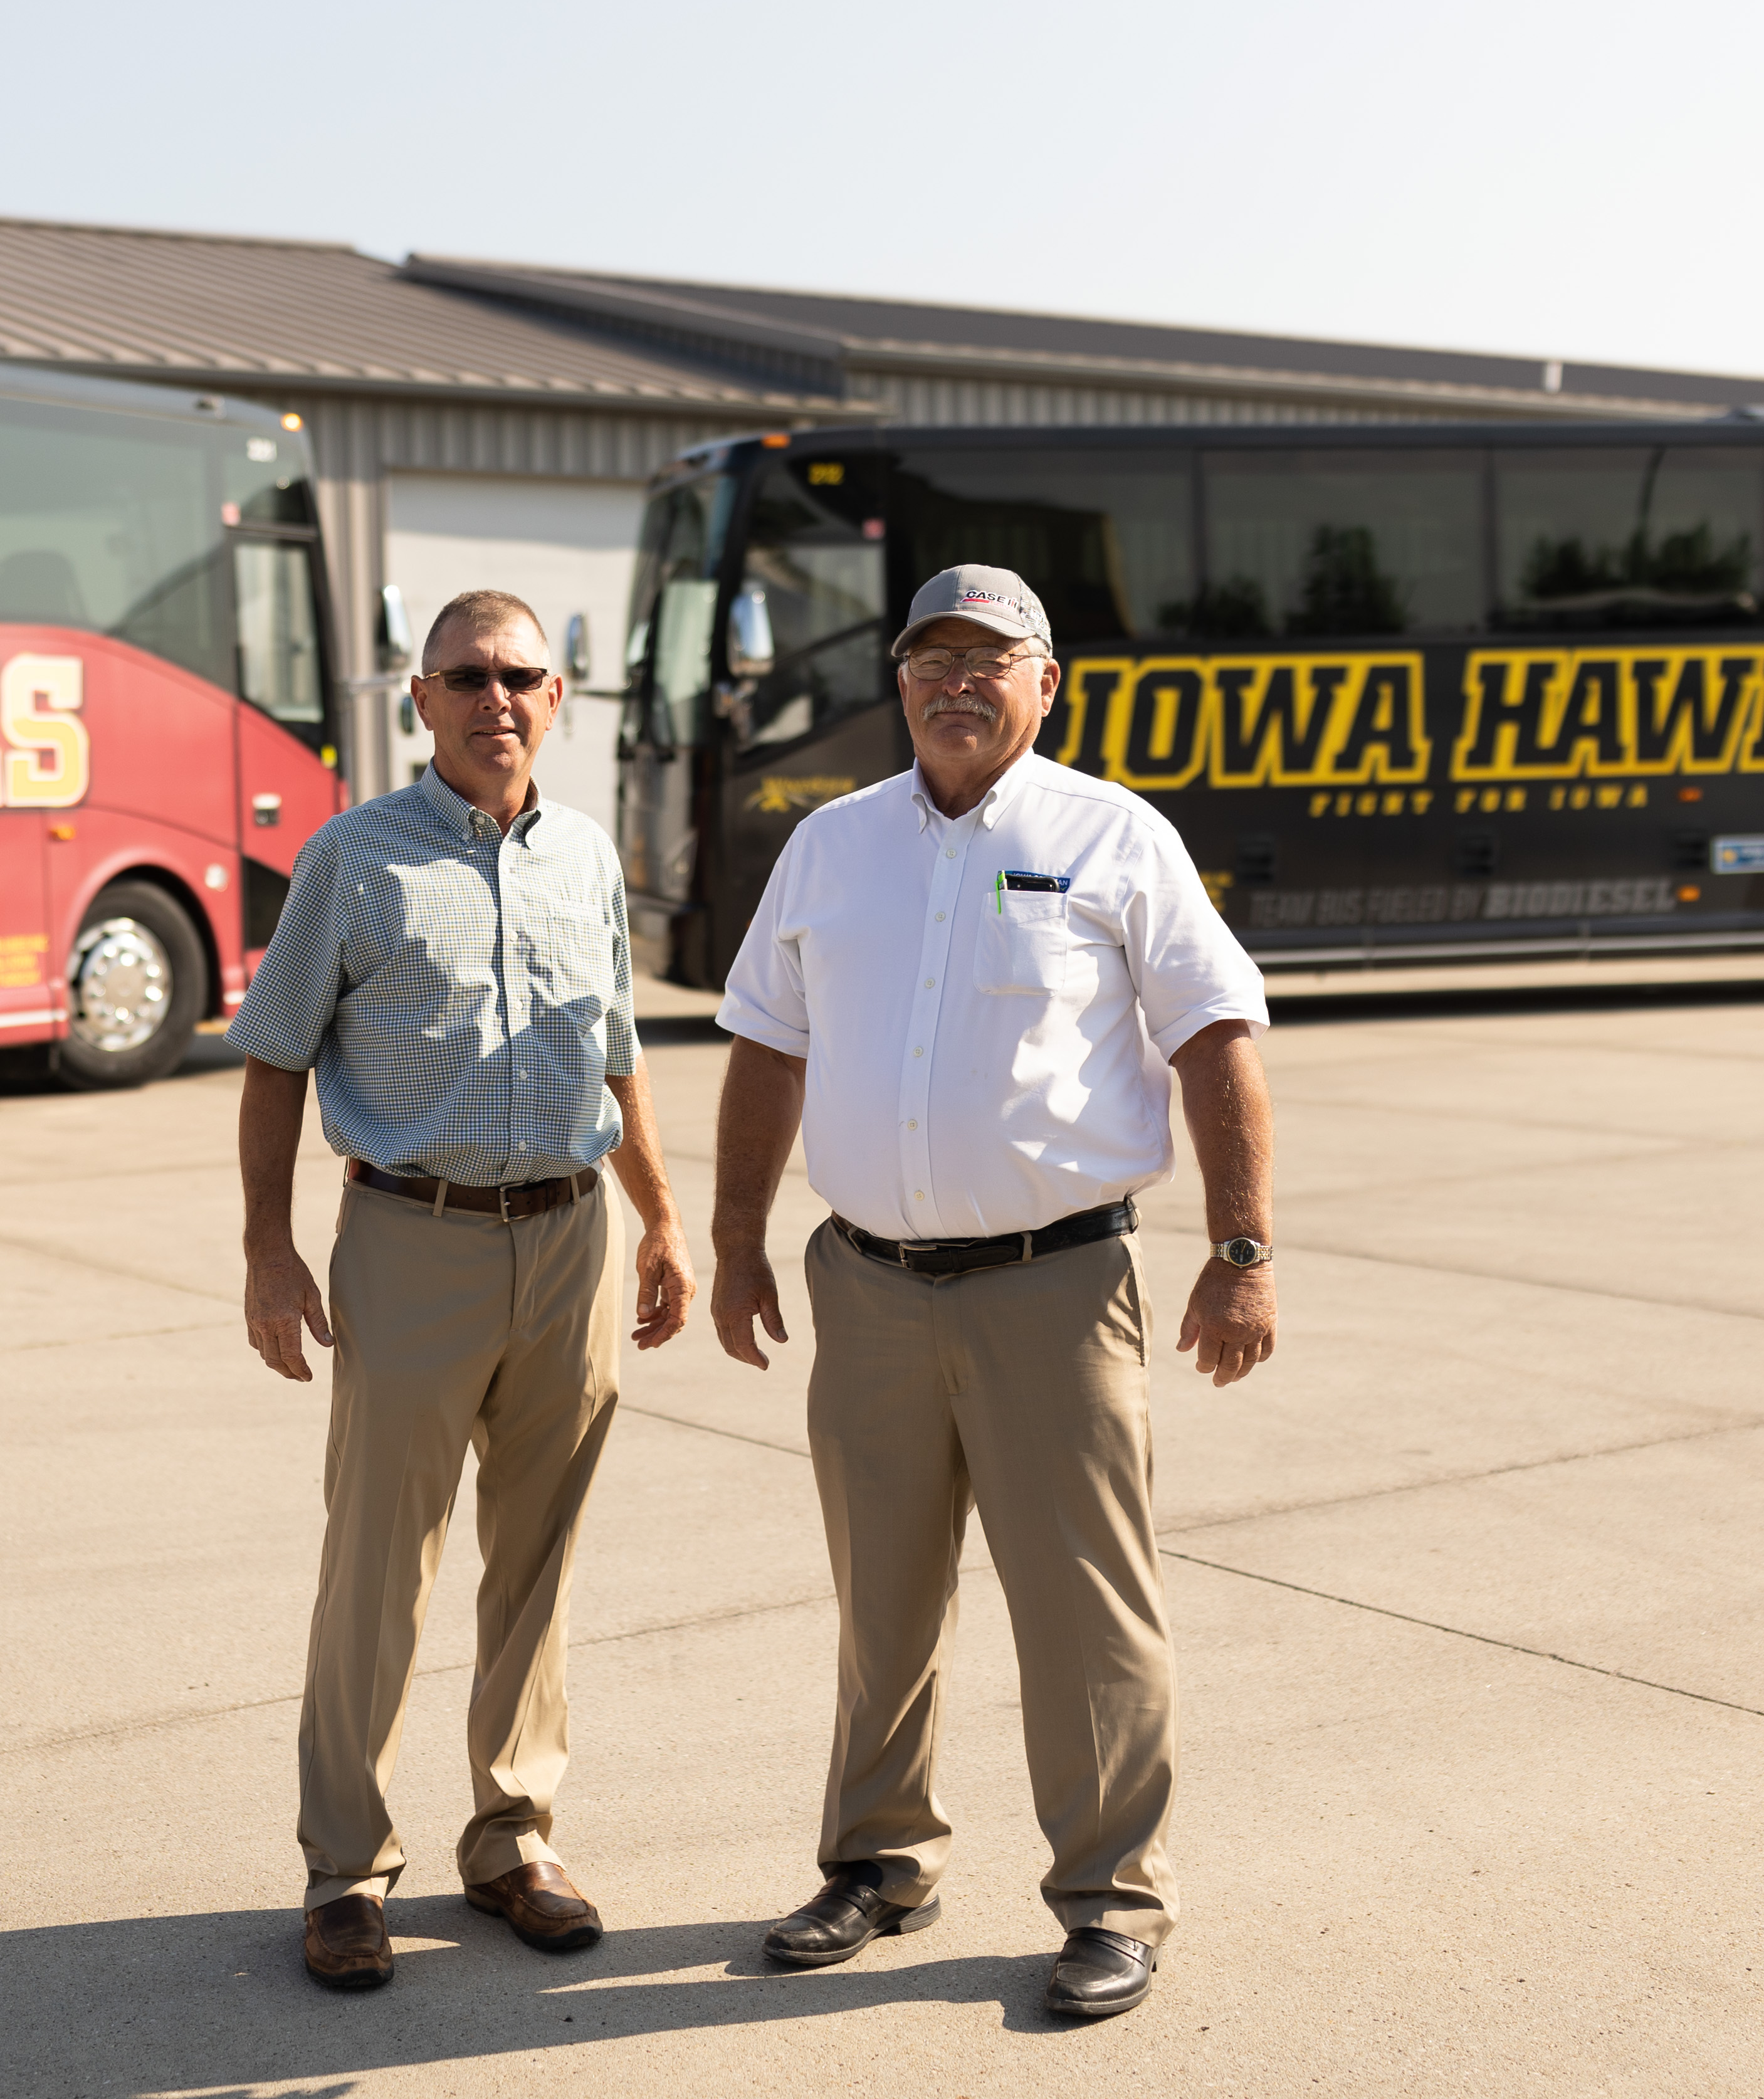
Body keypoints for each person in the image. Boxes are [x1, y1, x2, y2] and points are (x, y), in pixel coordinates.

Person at [708, 563, 1275, 2021]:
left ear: (1046, 683)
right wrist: (734, 1239)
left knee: (1085, 1613)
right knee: (879, 1600)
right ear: (898, 681)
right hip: (870, 1290)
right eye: (931, 658)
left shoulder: (1115, 838)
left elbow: (1218, 1036)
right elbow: (768, 1047)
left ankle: (1110, 1898)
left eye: (990, 659)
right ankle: (879, 1861)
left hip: (1055, 1288)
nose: (957, 683)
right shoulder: (831, 846)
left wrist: (1242, 1248)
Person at [229, 587, 695, 1994]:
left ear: (560, 700)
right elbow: (274, 1056)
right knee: (381, 1564)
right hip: (413, 1240)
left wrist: (662, 1217)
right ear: (420, 700)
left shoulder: (588, 859)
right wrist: (267, 1246)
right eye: (470, 676)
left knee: (539, 1558)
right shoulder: (353, 861)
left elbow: (618, 1049)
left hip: (569, 1242)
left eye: (524, 678)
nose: (499, 699)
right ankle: (346, 1869)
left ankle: (511, 1840)